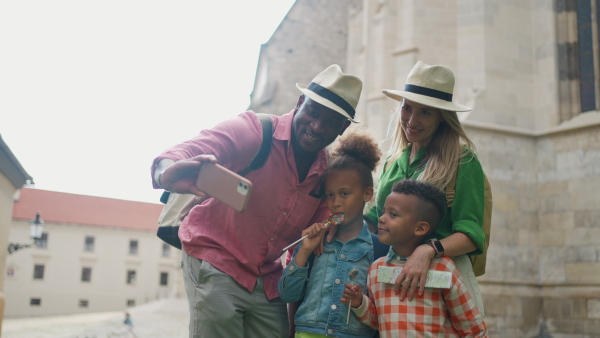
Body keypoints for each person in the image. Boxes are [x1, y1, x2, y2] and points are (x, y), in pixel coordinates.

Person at [151, 64, 363, 338]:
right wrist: (166, 172)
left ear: (343, 127)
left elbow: (306, 247)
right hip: (215, 257)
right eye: (313, 112)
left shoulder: (327, 176)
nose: (317, 126)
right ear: (300, 102)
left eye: (332, 122)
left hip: (266, 276)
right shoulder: (254, 131)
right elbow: (182, 152)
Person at [363, 61, 488, 315]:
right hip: (390, 280)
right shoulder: (392, 161)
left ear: (443, 117)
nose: (412, 120)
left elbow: (472, 233)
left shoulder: (463, 160)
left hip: (442, 282)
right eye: (407, 108)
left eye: (425, 112)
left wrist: (428, 250)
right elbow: (373, 222)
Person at [343, 180, 488, 337]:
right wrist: (360, 303)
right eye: (384, 212)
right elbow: (379, 321)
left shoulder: (443, 268)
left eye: (393, 214)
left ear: (420, 228)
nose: (382, 218)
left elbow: (472, 328)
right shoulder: (376, 269)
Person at [278, 130, 382, 338]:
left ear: (367, 194)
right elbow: (287, 294)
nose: (336, 202)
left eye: (345, 193)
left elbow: (384, 310)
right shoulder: (313, 243)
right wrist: (304, 251)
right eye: (330, 195)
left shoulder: (379, 249)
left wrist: (361, 302)